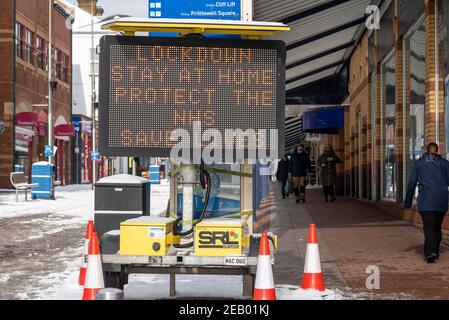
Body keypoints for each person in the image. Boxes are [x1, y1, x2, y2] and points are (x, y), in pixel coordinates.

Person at [404, 142, 449, 263]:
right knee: (437, 227)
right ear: (437, 151)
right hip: (441, 200)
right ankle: (435, 251)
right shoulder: (445, 163)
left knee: (429, 227)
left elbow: (412, 182)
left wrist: (408, 202)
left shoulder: (419, 164)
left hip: (426, 201)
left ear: (426, 150)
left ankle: (430, 253)